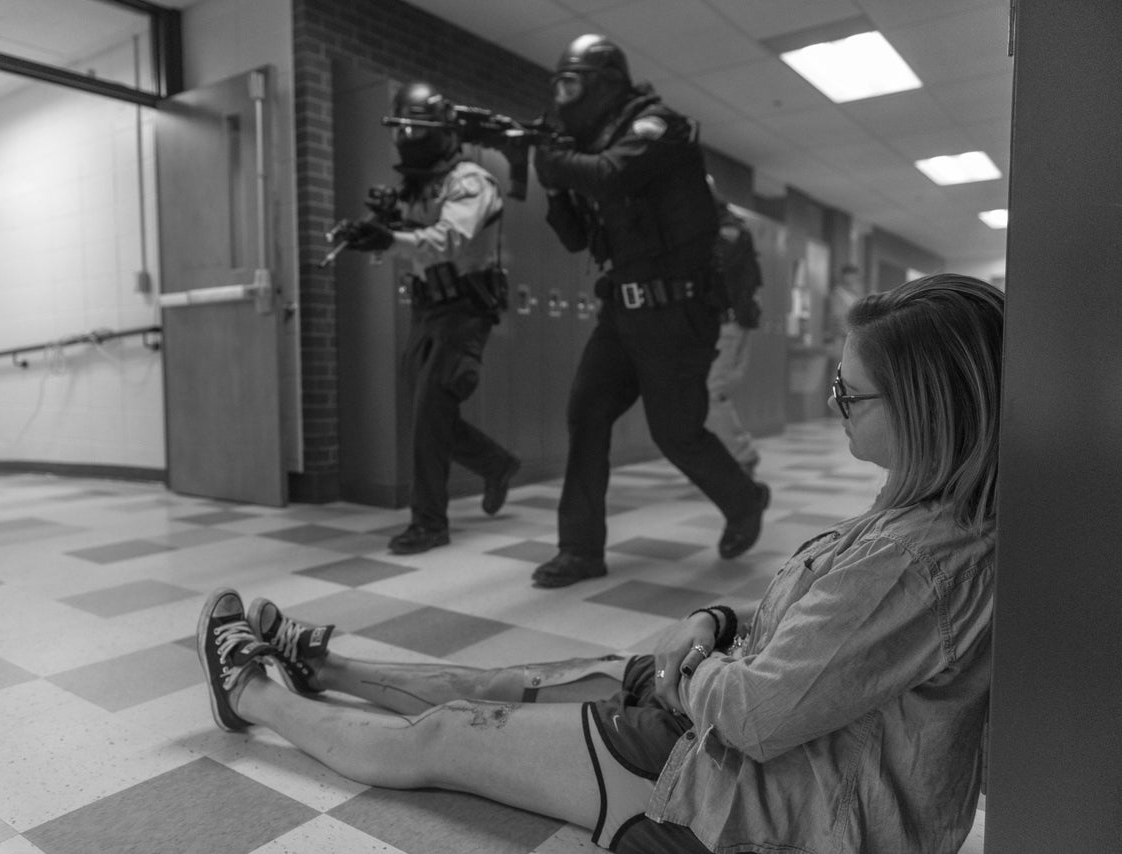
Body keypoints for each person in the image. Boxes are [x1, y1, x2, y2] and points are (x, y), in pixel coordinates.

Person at [197, 273, 1003, 854]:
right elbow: (829, 641)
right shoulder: (925, 521)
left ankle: (251, 693)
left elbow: (758, 717)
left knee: (443, 734)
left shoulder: (913, 559)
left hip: (759, 805)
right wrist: (717, 621)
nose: (834, 405)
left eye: (850, 393)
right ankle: (324, 666)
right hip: (757, 742)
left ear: (929, 408)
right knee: (514, 681)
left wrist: (686, 667)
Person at [528, 34, 769, 587]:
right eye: (557, 85)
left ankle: (745, 501)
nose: (563, 96)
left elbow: (613, 174)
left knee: (675, 433)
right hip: (620, 314)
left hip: (677, 316)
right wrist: (553, 182)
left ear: (605, 82)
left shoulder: (659, 128)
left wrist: (556, 159)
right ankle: (581, 551)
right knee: (586, 415)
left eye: (572, 84)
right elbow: (571, 238)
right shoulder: (588, 151)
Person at [336, 81, 520, 555]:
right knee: (426, 415)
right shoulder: (417, 186)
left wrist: (388, 239)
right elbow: (409, 238)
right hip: (426, 308)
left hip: (463, 311)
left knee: (429, 415)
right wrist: (375, 230)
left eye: (417, 128)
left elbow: (448, 240)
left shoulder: (471, 181)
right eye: (403, 129)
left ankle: (430, 523)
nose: (408, 138)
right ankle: (496, 464)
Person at [704, 188, 764, 478]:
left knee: (713, 392)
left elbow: (720, 261)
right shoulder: (721, 224)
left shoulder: (728, 227)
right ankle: (724, 457)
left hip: (729, 323)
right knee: (707, 392)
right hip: (714, 324)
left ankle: (742, 455)